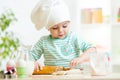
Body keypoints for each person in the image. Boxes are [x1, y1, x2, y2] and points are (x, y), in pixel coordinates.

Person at [30, 0, 101, 71]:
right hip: (52, 76)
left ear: (69, 24)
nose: (60, 30)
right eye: (55, 28)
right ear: (49, 28)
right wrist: (33, 62)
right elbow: (29, 57)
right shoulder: (43, 41)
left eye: (64, 26)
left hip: (73, 75)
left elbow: (92, 50)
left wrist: (80, 58)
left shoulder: (74, 38)